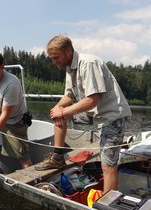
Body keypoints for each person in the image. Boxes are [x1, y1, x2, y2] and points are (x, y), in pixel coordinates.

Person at [35, 35, 131, 194]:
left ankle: (108, 205)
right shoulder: (69, 68)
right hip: (94, 113)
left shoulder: (88, 63)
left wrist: (64, 111)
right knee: (58, 115)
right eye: (52, 58)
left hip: (112, 115)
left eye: (56, 57)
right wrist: (57, 109)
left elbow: (92, 100)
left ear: (67, 51)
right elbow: (69, 96)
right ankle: (58, 157)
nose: (54, 62)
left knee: (108, 165)